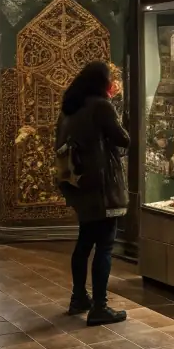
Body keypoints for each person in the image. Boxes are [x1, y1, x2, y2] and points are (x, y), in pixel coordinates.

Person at [54, 61, 129, 327]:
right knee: (105, 245)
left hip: (79, 183)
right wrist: (115, 107)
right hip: (102, 186)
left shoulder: (70, 106)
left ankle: (78, 297)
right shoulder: (101, 106)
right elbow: (123, 140)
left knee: (85, 241)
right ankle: (100, 306)